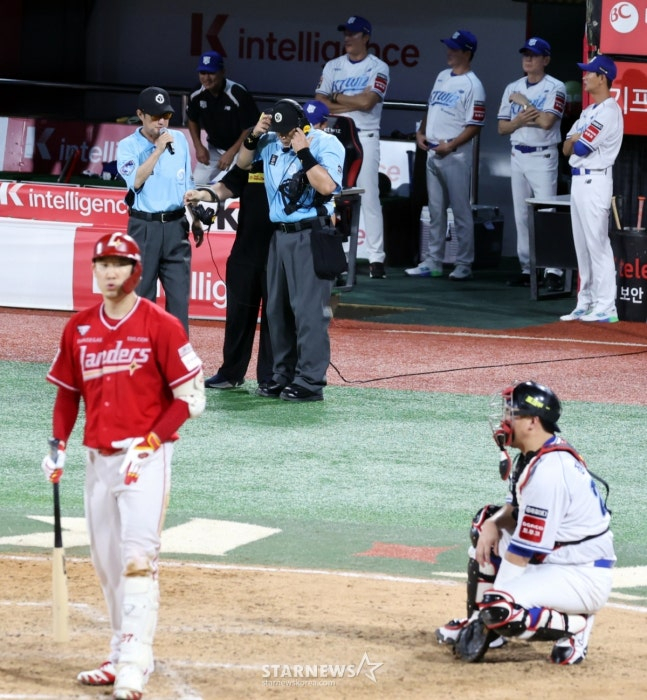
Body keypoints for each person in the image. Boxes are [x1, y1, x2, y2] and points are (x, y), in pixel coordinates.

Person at [40, 232, 205, 699]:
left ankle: (135, 661)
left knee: (137, 559)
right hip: (98, 459)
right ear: (94, 269)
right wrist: (58, 445)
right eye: (103, 264)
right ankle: (118, 653)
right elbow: (68, 394)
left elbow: (190, 398)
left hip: (143, 460)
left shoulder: (161, 325)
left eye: (119, 264)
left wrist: (150, 443)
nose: (110, 272)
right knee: (107, 563)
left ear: (136, 271)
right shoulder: (79, 328)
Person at [436, 380, 615, 665]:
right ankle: (487, 628)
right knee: (484, 524)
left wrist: (493, 606)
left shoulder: (550, 473)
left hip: (580, 574)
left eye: (511, 414)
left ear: (533, 421)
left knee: (498, 608)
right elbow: (512, 511)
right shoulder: (533, 456)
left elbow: (521, 552)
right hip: (554, 557)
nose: (503, 421)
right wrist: (493, 523)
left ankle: (576, 625)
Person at [237, 99, 345, 402]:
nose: (283, 137)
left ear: (302, 126)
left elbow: (327, 187)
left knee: (309, 313)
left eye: (288, 131)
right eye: (279, 131)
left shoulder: (326, 144)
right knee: (277, 311)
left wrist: (303, 151)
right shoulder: (271, 142)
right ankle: (282, 375)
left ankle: (310, 381)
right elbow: (243, 163)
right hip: (280, 236)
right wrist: (254, 135)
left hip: (311, 234)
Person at [184, 161, 274, 390]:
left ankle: (270, 377)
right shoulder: (252, 160)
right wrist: (201, 194)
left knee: (275, 318)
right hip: (245, 250)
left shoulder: (290, 161)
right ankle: (231, 373)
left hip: (278, 251)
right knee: (237, 315)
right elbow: (226, 187)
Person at [117, 86, 200, 334]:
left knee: (179, 302)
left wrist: (195, 217)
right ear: (140, 115)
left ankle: (177, 355)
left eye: (166, 115)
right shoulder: (127, 146)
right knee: (142, 300)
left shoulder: (180, 140)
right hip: (144, 228)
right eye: (155, 116)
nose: (162, 122)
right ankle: (142, 354)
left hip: (176, 228)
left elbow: (188, 183)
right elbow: (135, 180)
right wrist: (158, 150)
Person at [405, 30, 485, 281]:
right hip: (432, 151)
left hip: (455, 155)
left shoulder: (474, 85)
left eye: (454, 48)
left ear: (467, 53)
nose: (449, 52)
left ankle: (464, 264)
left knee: (460, 211)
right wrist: (421, 132)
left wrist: (451, 145)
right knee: (435, 211)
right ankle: (433, 261)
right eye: (449, 47)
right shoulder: (442, 76)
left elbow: (475, 125)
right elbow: (432, 108)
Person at [315, 15, 390, 280]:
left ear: (366, 37)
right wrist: (350, 102)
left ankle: (376, 258)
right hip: (335, 135)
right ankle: (341, 254)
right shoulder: (333, 65)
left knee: (369, 196)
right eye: (345, 33)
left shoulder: (378, 66)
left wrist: (336, 98)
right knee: (335, 195)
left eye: (353, 33)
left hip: (365, 135)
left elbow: (368, 102)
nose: (347, 38)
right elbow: (320, 103)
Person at [497, 37, 567, 290]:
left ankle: (553, 270)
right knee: (522, 216)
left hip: (542, 155)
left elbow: (547, 122)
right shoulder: (512, 88)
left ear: (545, 59)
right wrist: (520, 121)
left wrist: (525, 105)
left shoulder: (555, 87)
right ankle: (528, 269)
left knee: (546, 214)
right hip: (518, 154)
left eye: (534, 55)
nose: (528, 58)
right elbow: (502, 127)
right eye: (525, 54)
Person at [560, 55, 623, 323]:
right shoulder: (588, 112)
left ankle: (606, 305)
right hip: (578, 181)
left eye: (589, 73)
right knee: (582, 246)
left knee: (597, 244)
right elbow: (566, 148)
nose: (584, 77)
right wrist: (574, 140)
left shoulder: (609, 111)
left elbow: (581, 147)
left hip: (596, 180)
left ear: (602, 77)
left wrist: (575, 140)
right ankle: (585, 301)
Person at [187, 51, 260, 185]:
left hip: (242, 150)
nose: (206, 78)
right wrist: (198, 146)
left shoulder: (238, 93)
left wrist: (231, 152)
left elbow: (251, 127)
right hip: (214, 149)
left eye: (211, 73)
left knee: (234, 186)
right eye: (202, 73)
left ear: (222, 72)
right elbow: (192, 119)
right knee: (195, 185)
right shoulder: (196, 93)